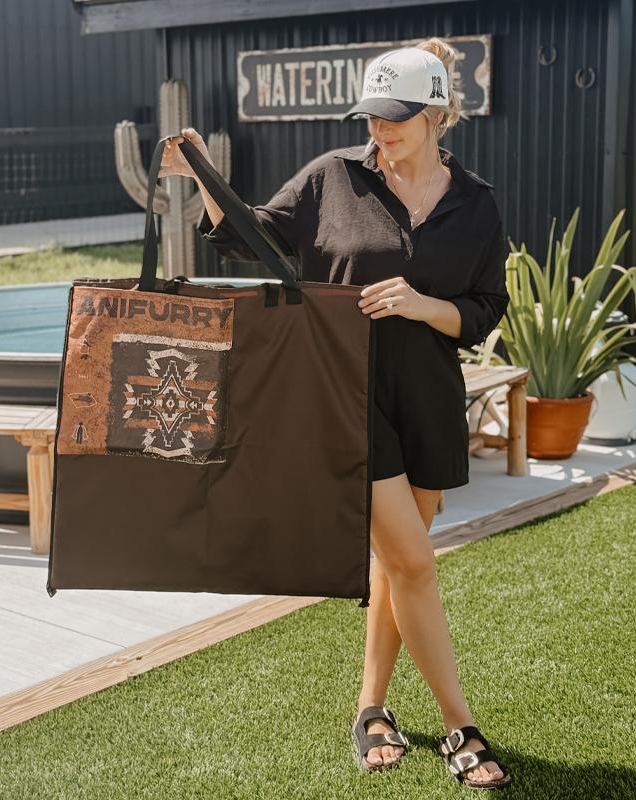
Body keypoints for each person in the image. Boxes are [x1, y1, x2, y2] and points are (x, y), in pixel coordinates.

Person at [159, 37, 512, 791]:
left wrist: (422, 305)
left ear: (437, 115)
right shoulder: (333, 178)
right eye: (372, 116)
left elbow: (485, 309)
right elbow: (253, 236)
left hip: (427, 398)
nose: (379, 130)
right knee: (414, 562)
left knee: (399, 563)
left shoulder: (476, 204)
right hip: (343, 394)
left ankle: (371, 708)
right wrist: (202, 174)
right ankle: (461, 726)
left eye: (395, 117)